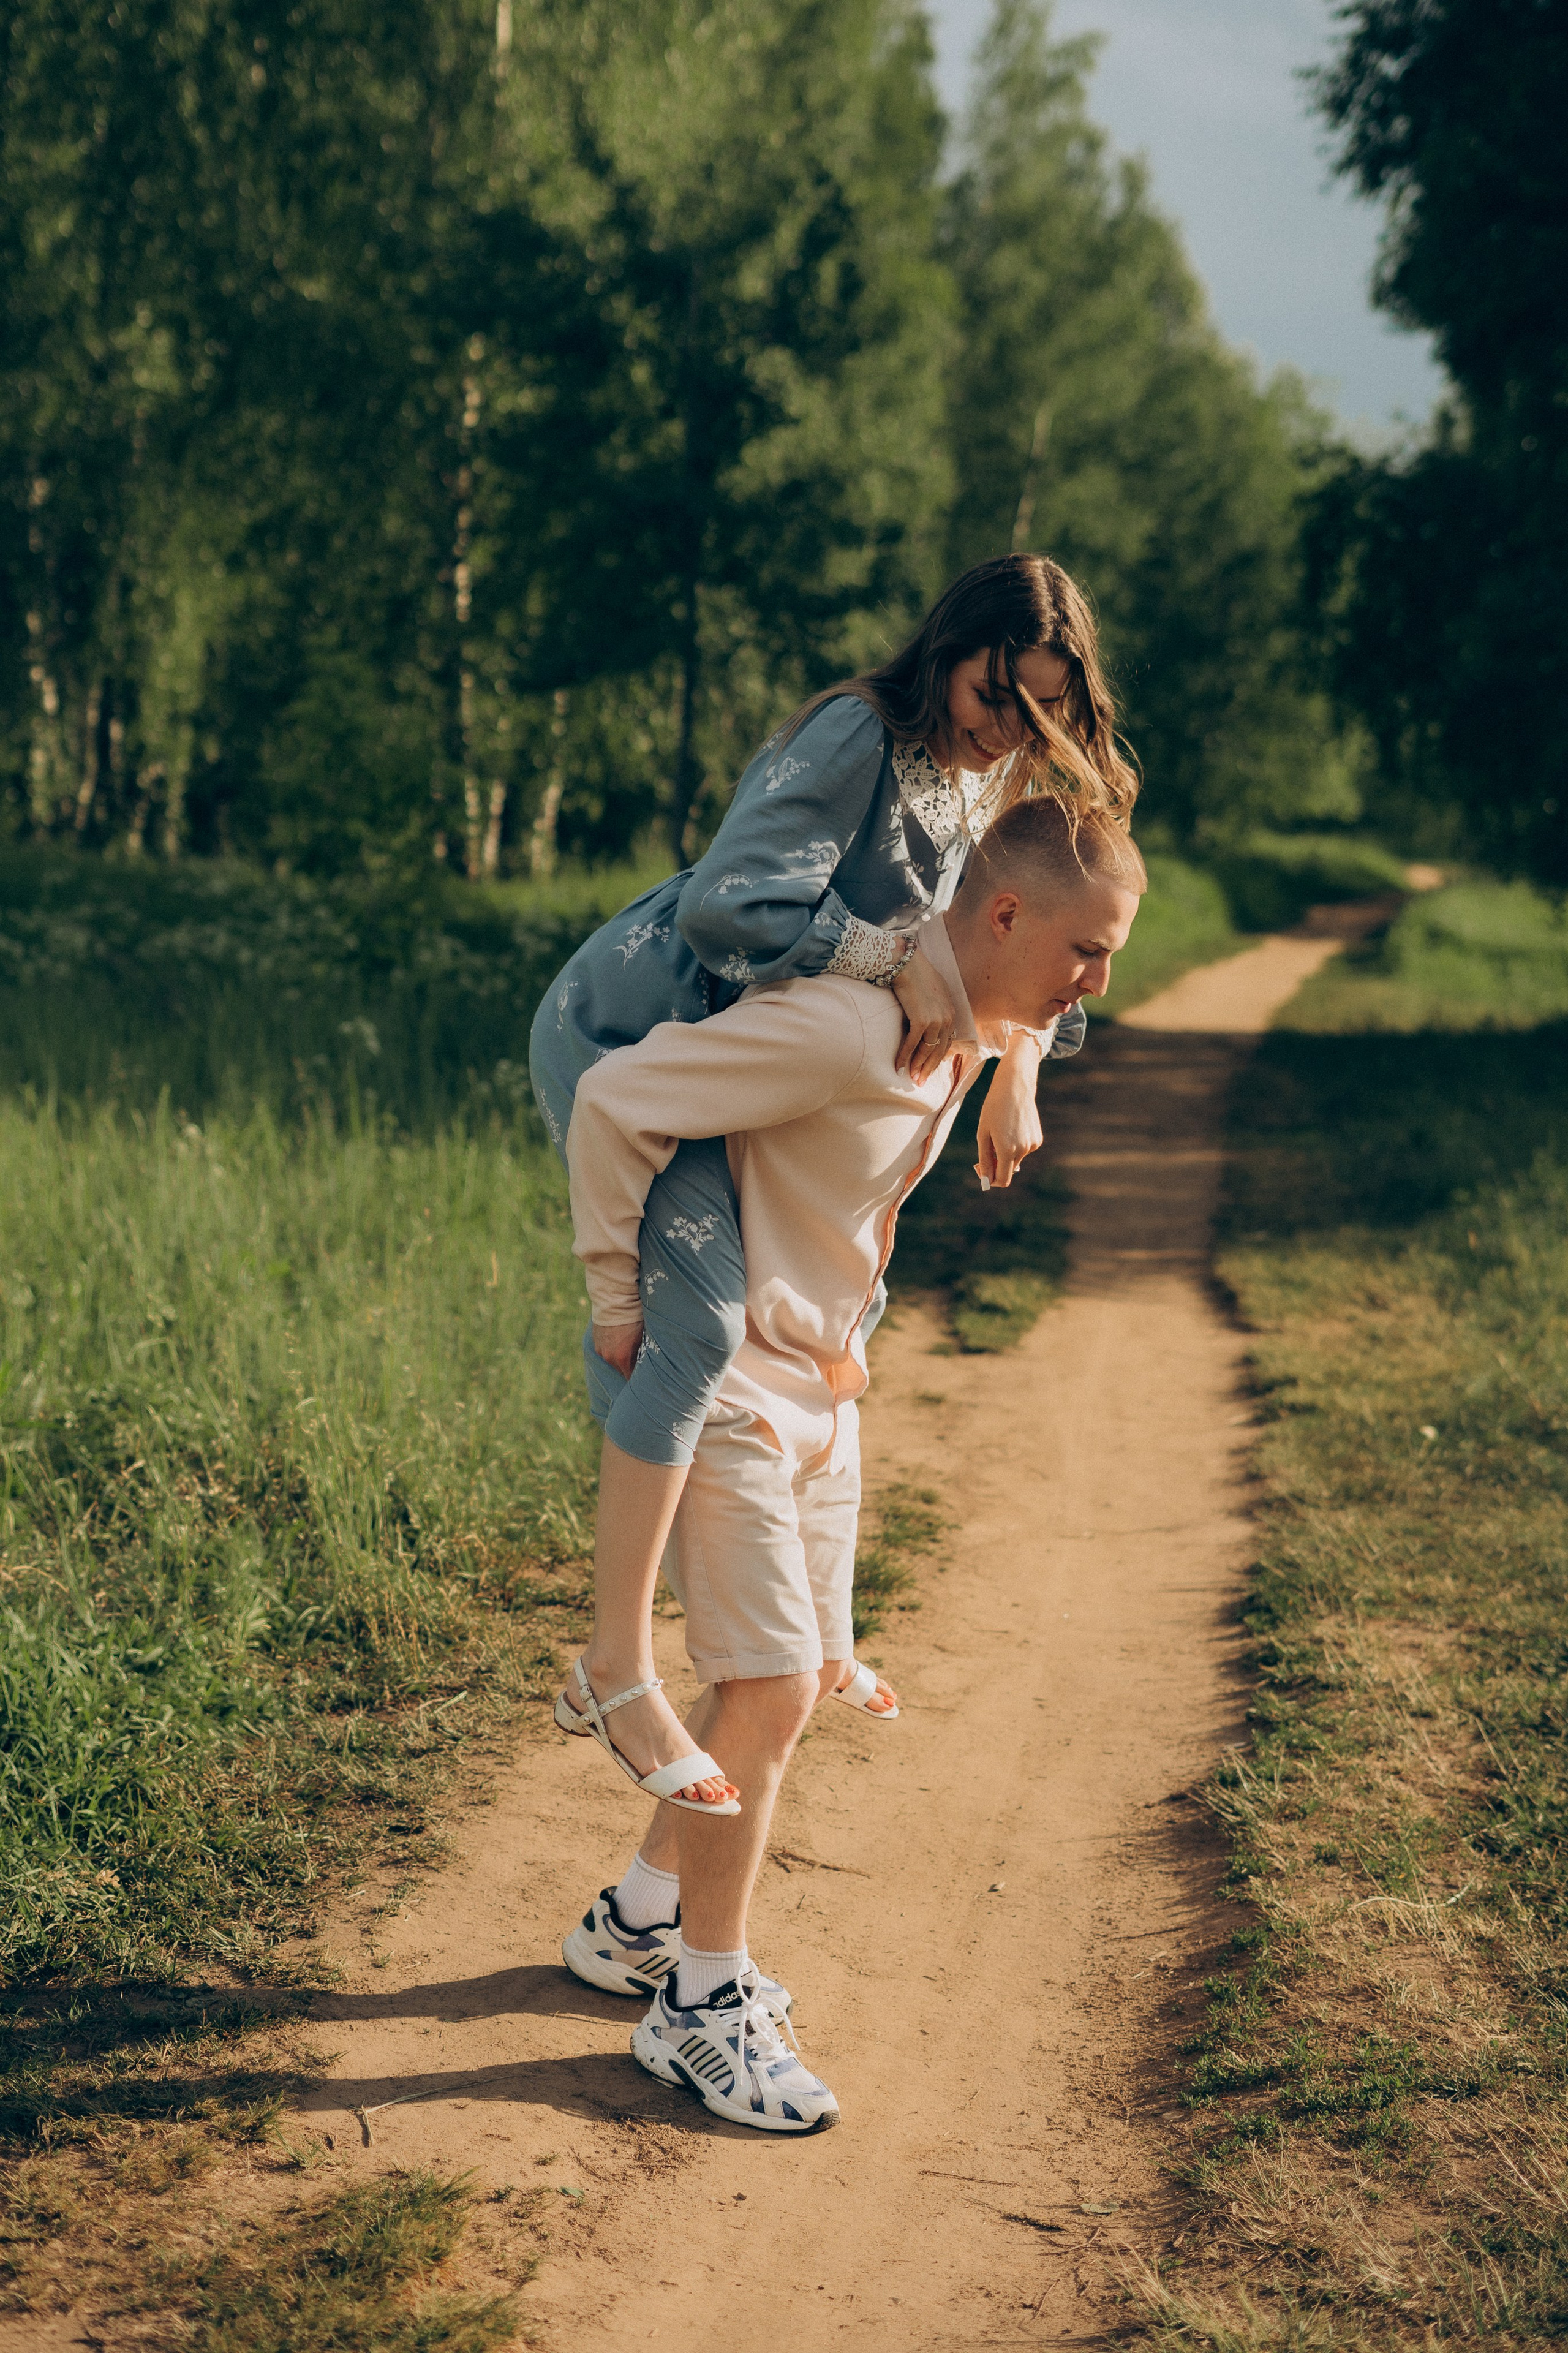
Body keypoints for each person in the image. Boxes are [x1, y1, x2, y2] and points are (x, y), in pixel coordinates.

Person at [556, 794, 1146, 2131]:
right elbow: (610, 1099)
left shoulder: (975, 1013)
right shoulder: (844, 1026)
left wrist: (1020, 1068)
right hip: (733, 1395)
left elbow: (1021, 1005)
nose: (1095, 988)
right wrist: (615, 1297)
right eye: (1087, 954)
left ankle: (638, 1920)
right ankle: (699, 2002)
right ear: (1005, 916)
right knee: (766, 1685)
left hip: (826, 1390)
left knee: (802, 1677)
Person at [528, 553, 1138, 1810]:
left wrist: (1018, 1067)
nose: (1006, 728)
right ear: (948, 651)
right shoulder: (860, 734)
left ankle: (815, 1640)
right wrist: (893, 959)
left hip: (742, 1058)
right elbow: (728, 913)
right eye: (993, 694)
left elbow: (1011, 936)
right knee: (700, 1325)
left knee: (837, 1296)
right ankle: (613, 1666)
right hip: (636, 1033)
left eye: (1038, 710)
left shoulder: (990, 777)